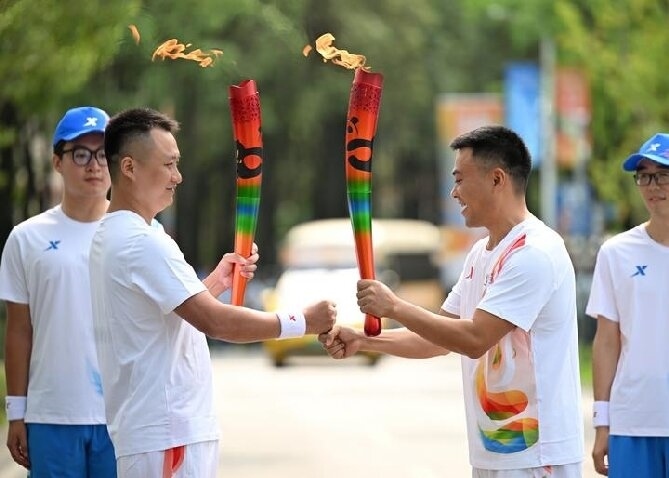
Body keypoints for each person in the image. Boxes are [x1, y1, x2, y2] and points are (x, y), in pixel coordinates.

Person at [321, 125, 584, 477]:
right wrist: (364, 340)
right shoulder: (480, 254)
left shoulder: (534, 253)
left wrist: (395, 306)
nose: (454, 192)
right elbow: (437, 338)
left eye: (460, 180)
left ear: (497, 179)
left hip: (538, 456)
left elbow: (474, 339)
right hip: (494, 453)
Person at [90, 107, 336, 478]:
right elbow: (216, 322)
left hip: (157, 433)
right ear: (129, 167)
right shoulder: (142, 242)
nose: (177, 176)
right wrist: (302, 321)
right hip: (167, 434)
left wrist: (216, 284)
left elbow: (164, 321)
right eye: (168, 164)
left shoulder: (114, 235)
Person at [0, 106, 117, 476]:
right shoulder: (26, 238)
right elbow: (19, 330)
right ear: (57, 162)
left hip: (121, 415)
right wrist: (16, 412)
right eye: (80, 154)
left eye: (103, 154)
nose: (94, 165)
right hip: (51, 415)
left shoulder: (141, 233)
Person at [586, 132, 669, 477]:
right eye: (644, 176)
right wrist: (601, 422)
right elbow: (607, 340)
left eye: (663, 174)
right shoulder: (616, 252)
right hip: (633, 422)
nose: (653, 186)